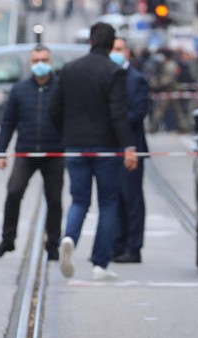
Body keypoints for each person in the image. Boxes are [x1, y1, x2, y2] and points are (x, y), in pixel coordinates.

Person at [49, 22, 139, 281]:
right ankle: (100, 263)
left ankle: (69, 238)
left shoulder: (69, 70)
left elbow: (54, 110)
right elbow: (118, 114)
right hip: (106, 148)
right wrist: (128, 147)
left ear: (90, 41)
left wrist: (67, 133)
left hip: (75, 145)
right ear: (112, 45)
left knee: (79, 200)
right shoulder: (114, 72)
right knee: (108, 203)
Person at [0, 44, 64, 261]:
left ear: (50, 63)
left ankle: (52, 245)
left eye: (44, 60)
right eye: (35, 61)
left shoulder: (60, 89)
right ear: (30, 63)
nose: (40, 65)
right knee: (13, 192)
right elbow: (8, 122)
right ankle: (7, 240)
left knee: (54, 200)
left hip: (54, 153)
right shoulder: (20, 89)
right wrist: (1, 151)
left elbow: (70, 120)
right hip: (26, 152)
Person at [112, 38, 150, 264]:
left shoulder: (136, 80)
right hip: (111, 149)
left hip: (132, 148)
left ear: (127, 53)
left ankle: (133, 247)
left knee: (131, 198)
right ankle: (117, 245)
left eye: (119, 49)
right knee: (114, 199)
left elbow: (137, 113)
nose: (115, 53)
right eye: (112, 49)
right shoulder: (108, 76)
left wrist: (113, 121)